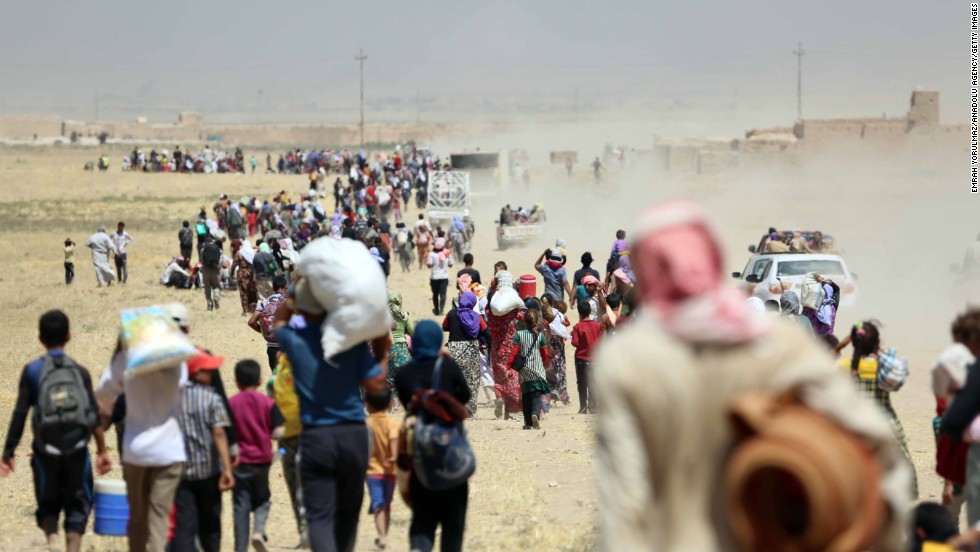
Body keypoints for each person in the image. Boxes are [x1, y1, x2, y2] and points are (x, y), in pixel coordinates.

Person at [594, 200, 910, 551]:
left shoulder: (624, 358)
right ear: (713, 257)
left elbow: (622, 494)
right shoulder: (776, 341)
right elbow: (873, 439)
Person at [274, 278, 391, 552]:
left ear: (305, 310)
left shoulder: (296, 341)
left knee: (319, 516)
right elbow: (375, 385)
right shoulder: (351, 343)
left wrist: (294, 293)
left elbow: (278, 323)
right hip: (353, 437)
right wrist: (383, 350)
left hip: (315, 438)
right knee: (348, 515)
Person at [0, 310, 111, 552]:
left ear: (40, 338)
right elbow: (92, 416)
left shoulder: (32, 371)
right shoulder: (80, 372)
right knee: (78, 505)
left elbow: (20, 413)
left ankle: (53, 542)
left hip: (44, 450)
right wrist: (102, 451)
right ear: (69, 336)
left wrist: (8, 452)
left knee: (48, 503)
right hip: (78, 450)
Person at [394, 321, 471, 552]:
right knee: (453, 523)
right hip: (451, 456)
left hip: (420, 458)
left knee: (423, 520)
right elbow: (465, 396)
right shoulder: (447, 367)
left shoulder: (403, 374)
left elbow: (409, 404)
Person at [173, 348, 235, 552]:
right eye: (208, 370)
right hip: (209, 473)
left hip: (180, 473)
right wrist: (227, 469)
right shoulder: (211, 397)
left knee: (184, 526)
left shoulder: (172, 399)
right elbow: (219, 433)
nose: (212, 374)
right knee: (210, 525)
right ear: (196, 372)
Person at [229, 359, 285, 552]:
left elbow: (225, 433)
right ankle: (258, 532)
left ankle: (240, 547)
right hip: (262, 461)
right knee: (262, 499)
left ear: (237, 382)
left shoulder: (231, 404)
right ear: (260, 381)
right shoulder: (267, 403)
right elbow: (278, 433)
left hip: (239, 462)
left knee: (240, 504)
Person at [443, 291, 490, 417]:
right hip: (471, 350)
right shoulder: (477, 316)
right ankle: (469, 410)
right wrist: (489, 347)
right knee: (472, 379)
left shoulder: (452, 314)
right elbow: (486, 332)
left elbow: (444, 326)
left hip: (454, 349)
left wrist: (454, 326)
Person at [364, 390, 399, 550]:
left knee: (378, 503)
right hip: (390, 471)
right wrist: (393, 456)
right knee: (386, 504)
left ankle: (382, 536)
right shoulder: (392, 423)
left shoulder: (366, 423)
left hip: (372, 471)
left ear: (367, 405)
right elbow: (394, 440)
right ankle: (384, 534)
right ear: (389, 404)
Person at [486, 270, 523, 419]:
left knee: (498, 376)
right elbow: (524, 313)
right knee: (511, 375)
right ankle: (510, 411)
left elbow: (489, 309)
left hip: (495, 347)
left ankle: (499, 397)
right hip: (510, 347)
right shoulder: (514, 312)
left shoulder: (490, 310)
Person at [510, 308, 551, 429]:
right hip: (537, 369)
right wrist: (543, 364)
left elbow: (513, 352)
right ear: (536, 320)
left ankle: (528, 423)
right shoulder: (540, 336)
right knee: (536, 395)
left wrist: (508, 367)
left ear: (524, 321)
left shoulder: (519, 335)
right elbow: (545, 354)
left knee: (526, 396)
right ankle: (535, 414)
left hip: (524, 371)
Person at [248, 276, 288, 373]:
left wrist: (263, 332)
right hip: (288, 345)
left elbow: (251, 322)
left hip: (272, 346)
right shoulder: (291, 301)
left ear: (273, 288)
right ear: (286, 287)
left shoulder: (264, 302)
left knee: (275, 377)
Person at [570, 301, 601, 414]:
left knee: (582, 383)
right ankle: (592, 407)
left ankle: (583, 407)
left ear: (579, 312)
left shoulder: (578, 326)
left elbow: (575, 343)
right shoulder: (597, 325)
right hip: (594, 359)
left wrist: (572, 335)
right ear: (589, 311)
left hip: (581, 359)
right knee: (593, 383)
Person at [388, 291, 414, 400]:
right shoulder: (404, 315)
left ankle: (391, 400)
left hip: (386, 347)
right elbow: (413, 332)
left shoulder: (383, 314)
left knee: (389, 376)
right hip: (401, 348)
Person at [427, 237, 453, 316]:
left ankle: (436, 310)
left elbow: (429, 265)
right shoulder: (447, 253)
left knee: (435, 294)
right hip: (444, 277)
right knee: (443, 294)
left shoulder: (431, 254)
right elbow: (451, 264)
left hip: (434, 277)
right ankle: (441, 310)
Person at [232, 240, 258, 316]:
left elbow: (234, 264)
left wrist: (231, 273)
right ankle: (253, 309)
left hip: (242, 275)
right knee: (253, 292)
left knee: (244, 292)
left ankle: (245, 311)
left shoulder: (239, 253)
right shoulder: (253, 252)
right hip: (252, 274)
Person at [201, 239, 223, 311]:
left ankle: (209, 302)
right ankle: (216, 298)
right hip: (215, 270)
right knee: (216, 286)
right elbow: (221, 261)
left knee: (207, 286)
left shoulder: (203, 250)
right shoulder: (218, 250)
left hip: (206, 270)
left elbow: (201, 260)